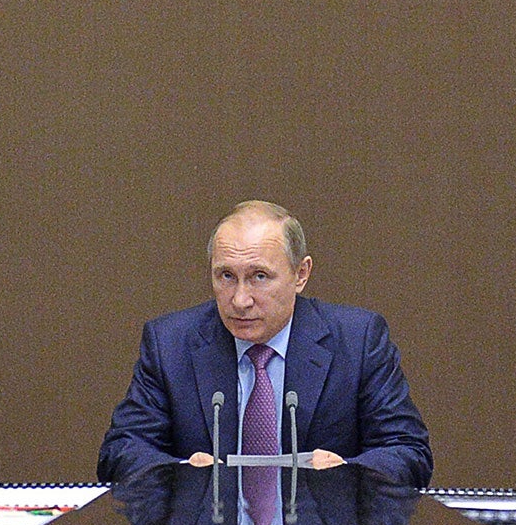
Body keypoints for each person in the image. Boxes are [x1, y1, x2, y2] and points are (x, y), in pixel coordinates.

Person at [98, 201, 433, 493]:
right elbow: (120, 452)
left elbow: (408, 451)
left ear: (301, 274)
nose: (240, 300)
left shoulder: (358, 341)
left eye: (259, 276)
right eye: (226, 276)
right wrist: (180, 473)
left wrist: (347, 474)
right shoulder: (170, 343)